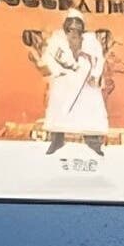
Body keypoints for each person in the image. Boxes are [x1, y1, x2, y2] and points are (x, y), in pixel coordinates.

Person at [34, 11, 109, 156]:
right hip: (65, 82)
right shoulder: (57, 39)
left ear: (82, 28)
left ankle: (93, 142)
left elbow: (99, 59)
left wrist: (94, 75)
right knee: (59, 110)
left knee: (90, 111)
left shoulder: (91, 40)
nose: (74, 31)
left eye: (77, 28)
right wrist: (59, 72)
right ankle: (57, 141)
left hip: (86, 83)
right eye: (71, 28)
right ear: (66, 27)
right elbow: (48, 57)